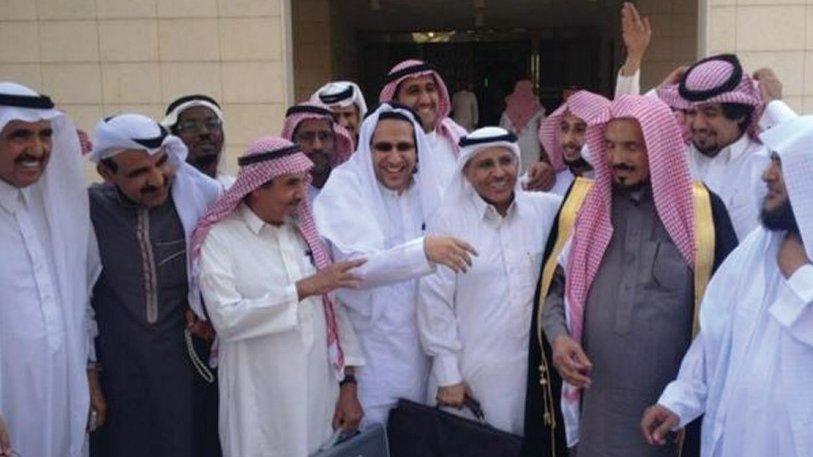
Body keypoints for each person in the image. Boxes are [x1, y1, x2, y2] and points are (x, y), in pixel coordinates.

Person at [537, 95, 738, 457]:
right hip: (595, 410)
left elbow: (728, 318)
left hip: (669, 412)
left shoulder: (703, 214)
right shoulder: (585, 207)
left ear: (659, 149)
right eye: (610, 146)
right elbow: (554, 290)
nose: (617, 159)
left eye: (632, 147)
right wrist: (559, 338)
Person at [641, 114, 813, 457]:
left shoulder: (793, 262)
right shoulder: (756, 248)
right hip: (736, 438)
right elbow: (715, 338)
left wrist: (800, 277)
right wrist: (679, 400)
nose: (768, 175)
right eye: (771, 161)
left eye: (782, 164)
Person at [194, 136, 365, 457]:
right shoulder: (221, 239)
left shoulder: (302, 232)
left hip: (317, 394)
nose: (302, 194)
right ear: (257, 187)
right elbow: (227, 319)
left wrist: (348, 386)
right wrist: (303, 288)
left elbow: (332, 311)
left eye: (303, 182)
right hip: (258, 400)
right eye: (291, 184)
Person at [313, 103, 478, 426]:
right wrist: (424, 251)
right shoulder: (345, 188)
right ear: (367, 148)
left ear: (418, 151)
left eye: (404, 147)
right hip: (368, 360)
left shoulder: (434, 190)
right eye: (383, 147)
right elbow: (354, 270)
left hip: (425, 357)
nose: (394, 157)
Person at [88, 113, 222, 457]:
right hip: (118, 369)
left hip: (184, 365)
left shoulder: (200, 199)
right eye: (138, 173)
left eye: (162, 163)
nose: (157, 179)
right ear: (106, 172)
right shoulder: (89, 211)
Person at [418, 127, 561, 435]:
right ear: (467, 172)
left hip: (532, 374)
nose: (498, 173)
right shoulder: (448, 221)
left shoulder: (544, 211)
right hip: (471, 377)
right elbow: (434, 303)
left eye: (506, 161)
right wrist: (447, 375)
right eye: (485, 165)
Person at [0, 82, 102, 457]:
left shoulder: (56, 209)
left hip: (62, 394)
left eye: (45, 134)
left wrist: (89, 375)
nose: (37, 149)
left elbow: (80, 301)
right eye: (20, 135)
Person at [379, 59, 556, 193]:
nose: (425, 99)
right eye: (414, 91)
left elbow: (491, 183)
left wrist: (536, 175)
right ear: (395, 100)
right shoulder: (379, 151)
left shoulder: (455, 136)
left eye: (430, 89)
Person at [537, 91, 611, 196]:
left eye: (580, 129)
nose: (568, 140)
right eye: (564, 128)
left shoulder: (617, 188)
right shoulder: (547, 183)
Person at [281, 102, 354, 203]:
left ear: (335, 140)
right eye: (306, 137)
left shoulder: (352, 189)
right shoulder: (281, 196)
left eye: (324, 136)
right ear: (291, 141)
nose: (317, 146)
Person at [162, 94, 234, 188]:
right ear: (174, 137)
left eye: (212, 124)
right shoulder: (164, 192)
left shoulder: (237, 189)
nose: (204, 132)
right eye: (191, 127)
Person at [500, 80, 547, 173]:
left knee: (514, 168)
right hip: (532, 144)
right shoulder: (537, 110)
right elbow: (545, 129)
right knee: (530, 171)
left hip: (512, 144)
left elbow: (502, 131)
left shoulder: (507, 112)